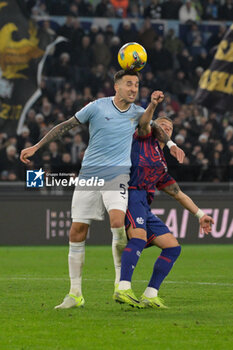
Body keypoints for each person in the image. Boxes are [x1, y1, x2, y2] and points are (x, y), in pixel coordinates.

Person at [20, 70, 183, 309]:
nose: (133, 89)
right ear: (116, 87)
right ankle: (75, 294)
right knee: (77, 231)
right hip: (89, 176)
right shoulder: (96, 107)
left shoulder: (138, 112)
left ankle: (121, 285)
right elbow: (65, 126)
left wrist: (171, 144)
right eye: (129, 84)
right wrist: (36, 146)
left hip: (117, 176)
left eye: (136, 85)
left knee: (118, 223)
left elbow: (154, 126)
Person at [113, 116, 214, 308]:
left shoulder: (161, 164)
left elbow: (178, 194)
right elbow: (145, 122)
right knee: (138, 238)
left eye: (170, 127)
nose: (166, 128)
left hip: (144, 205)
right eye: (162, 125)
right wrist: (152, 105)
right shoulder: (142, 139)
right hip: (130, 194)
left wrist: (201, 215)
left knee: (172, 247)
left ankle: (150, 294)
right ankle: (123, 288)